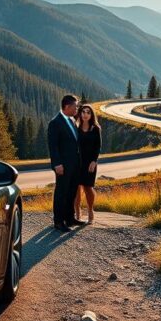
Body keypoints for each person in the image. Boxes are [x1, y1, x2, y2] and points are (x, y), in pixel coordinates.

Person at [47, 94, 83, 231]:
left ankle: (70, 218)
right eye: (75, 106)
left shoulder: (72, 120)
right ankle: (58, 221)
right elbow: (53, 145)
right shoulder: (55, 122)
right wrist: (57, 164)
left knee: (72, 192)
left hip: (74, 165)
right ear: (67, 107)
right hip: (62, 166)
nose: (77, 108)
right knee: (61, 192)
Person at [73, 104, 101, 224]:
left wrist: (94, 161)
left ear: (91, 115)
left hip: (90, 163)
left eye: (88, 112)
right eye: (83, 112)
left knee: (88, 187)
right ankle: (77, 211)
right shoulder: (75, 127)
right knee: (76, 188)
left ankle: (90, 210)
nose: (85, 114)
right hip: (77, 162)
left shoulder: (95, 128)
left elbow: (98, 146)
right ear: (80, 113)